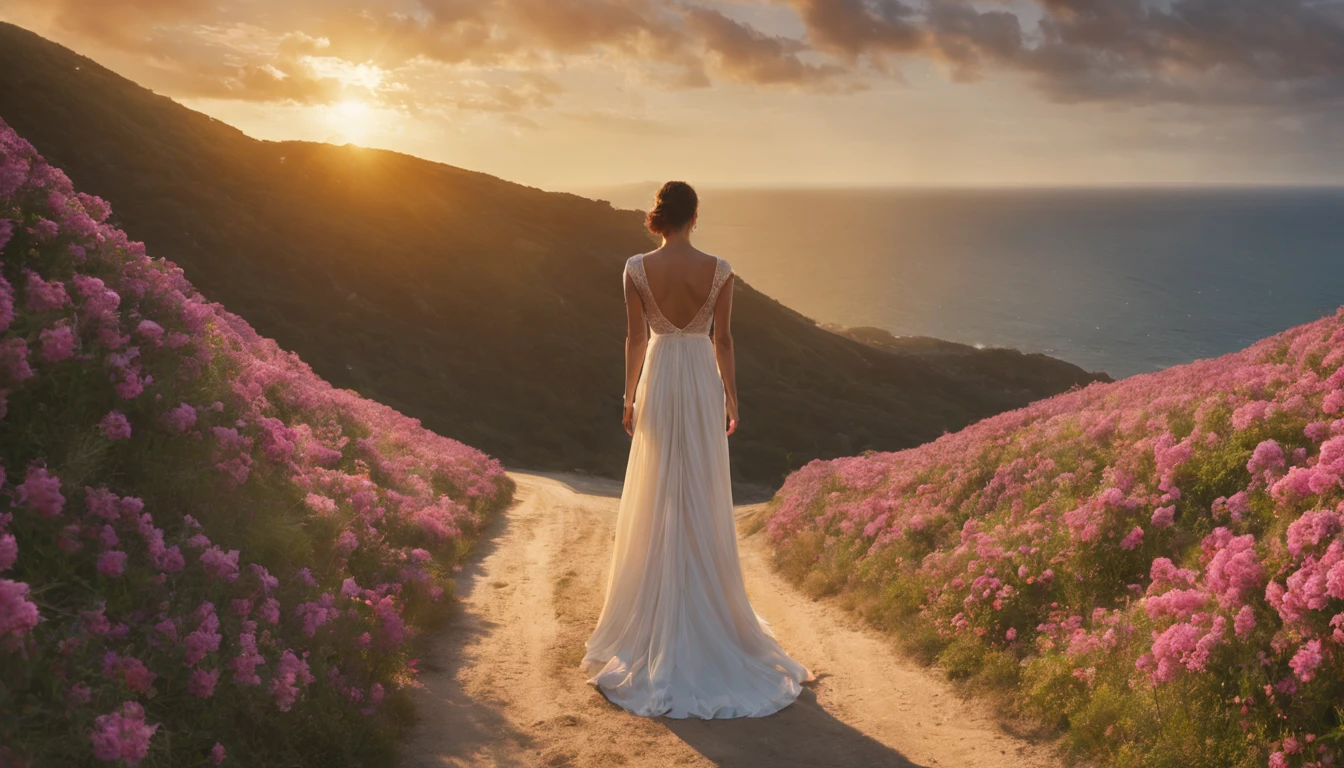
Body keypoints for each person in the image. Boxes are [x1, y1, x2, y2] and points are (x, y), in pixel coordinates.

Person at [580, 181, 813, 719]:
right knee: (702, 490)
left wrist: (627, 396)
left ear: (660, 216)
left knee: (659, 488)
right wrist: (732, 397)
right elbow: (723, 341)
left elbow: (635, 338)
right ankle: (706, 610)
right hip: (701, 380)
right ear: (695, 216)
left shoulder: (636, 268)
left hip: (659, 378)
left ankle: (656, 610)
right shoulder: (721, 269)